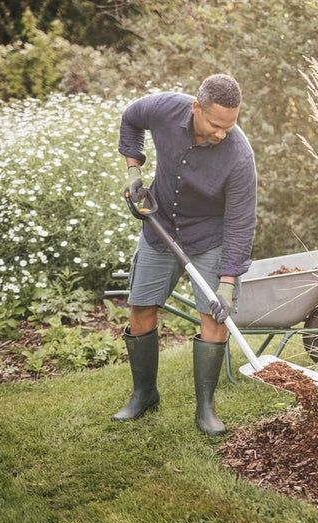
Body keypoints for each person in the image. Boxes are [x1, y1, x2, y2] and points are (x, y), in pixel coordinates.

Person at [113, 74, 257, 436]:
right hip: (159, 226)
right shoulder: (165, 109)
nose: (222, 133)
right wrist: (134, 170)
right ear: (196, 108)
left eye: (230, 125)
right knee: (141, 306)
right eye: (215, 124)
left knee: (213, 315)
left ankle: (205, 409)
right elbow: (131, 118)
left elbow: (240, 224)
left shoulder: (239, 157)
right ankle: (144, 394)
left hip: (208, 237)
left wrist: (226, 285)